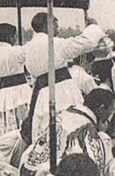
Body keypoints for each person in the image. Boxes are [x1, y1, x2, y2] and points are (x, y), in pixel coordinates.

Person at [22, 13, 105, 144]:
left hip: (41, 94)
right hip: (61, 91)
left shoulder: (28, 47)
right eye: (55, 26)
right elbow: (85, 42)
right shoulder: (54, 44)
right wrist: (93, 26)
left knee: (46, 130)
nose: (58, 30)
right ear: (47, 26)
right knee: (69, 128)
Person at [0, 23, 30, 139]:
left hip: (4, 92)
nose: (15, 38)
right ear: (10, 37)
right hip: (21, 91)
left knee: (6, 125)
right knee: (24, 121)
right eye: (14, 36)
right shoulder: (17, 51)